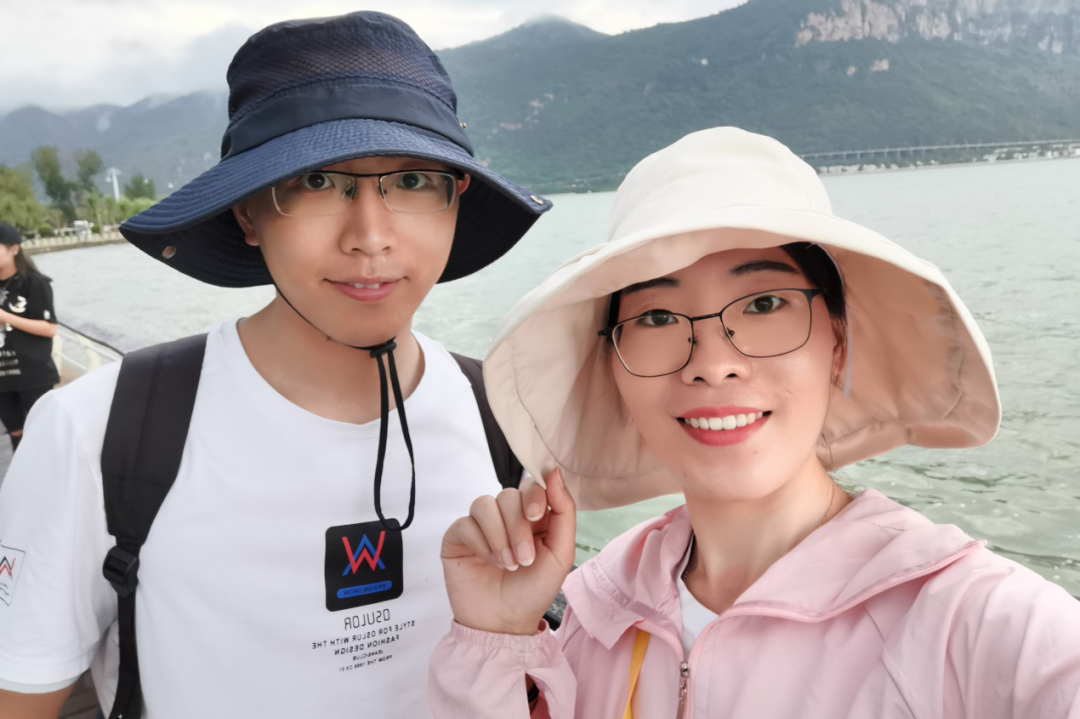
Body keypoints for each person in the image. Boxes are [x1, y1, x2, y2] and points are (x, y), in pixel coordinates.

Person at [0, 11, 549, 719]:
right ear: (248, 213)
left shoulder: (504, 414)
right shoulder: (101, 431)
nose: (370, 237)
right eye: (316, 181)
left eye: (412, 179)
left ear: (455, 202)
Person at [428, 127, 1080, 718]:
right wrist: (496, 638)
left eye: (765, 303)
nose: (714, 364)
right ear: (614, 368)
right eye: (657, 317)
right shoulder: (598, 610)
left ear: (838, 343)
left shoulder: (978, 627)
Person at [0, 222, 59, 454]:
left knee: (43, 431)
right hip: (2, 377)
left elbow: (49, 328)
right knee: (16, 433)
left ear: (14, 249)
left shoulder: (35, 283)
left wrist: (6, 317)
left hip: (33, 373)